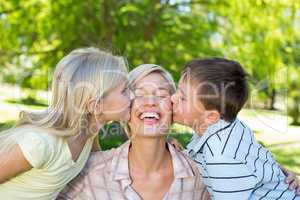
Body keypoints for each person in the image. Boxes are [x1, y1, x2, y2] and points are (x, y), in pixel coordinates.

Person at [58, 64, 211, 200]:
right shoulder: (90, 170)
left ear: (173, 107)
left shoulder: (201, 173)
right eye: (139, 94)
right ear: (124, 107)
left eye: (161, 95)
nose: (150, 102)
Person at [0, 47, 131, 200]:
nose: (133, 95)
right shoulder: (41, 145)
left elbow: (102, 166)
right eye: (125, 90)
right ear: (96, 106)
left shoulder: (88, 135)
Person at [171, 58, 300, 199]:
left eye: (183, 98)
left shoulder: (220, 156)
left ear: (210, 116)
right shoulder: (226, 126)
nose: (173, 98)